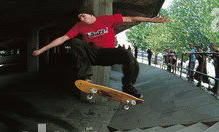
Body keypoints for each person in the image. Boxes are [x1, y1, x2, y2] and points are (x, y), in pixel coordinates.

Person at [32, 6, 170, 98]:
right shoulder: (79, 26)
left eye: (83, 16)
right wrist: (42, 50)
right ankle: (85, 77)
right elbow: (62, 38)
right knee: (74, 41)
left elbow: (131, 18)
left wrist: (154, 20)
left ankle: (127, 86)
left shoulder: (106, 19)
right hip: (93, 54)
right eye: (79, 17)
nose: (81, 19)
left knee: (127, 55)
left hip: (107, 53)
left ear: (91, 14)